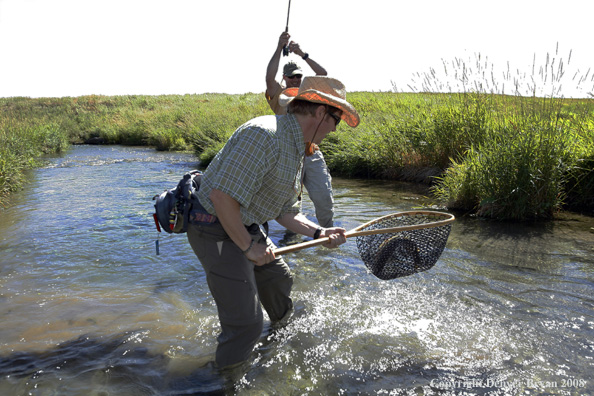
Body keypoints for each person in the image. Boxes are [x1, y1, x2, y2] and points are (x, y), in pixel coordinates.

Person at [187, 76, 360, 370]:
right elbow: (221, 198)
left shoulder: (298, 148)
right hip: (213, 227)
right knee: (246, 325)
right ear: (319, 112)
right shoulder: (264, 135)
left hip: (246, 224)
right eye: (336, 120)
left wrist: (319, 231)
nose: (334, 128)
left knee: (279, 279)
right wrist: (247, 248)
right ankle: (225, 380)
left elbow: (285, 212)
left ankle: (277, 342)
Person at [265, 31, 335, 228]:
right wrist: (280, 48)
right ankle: (294, 240)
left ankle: (327, 237)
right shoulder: (277, 94)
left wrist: (302, 54)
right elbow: (269, 77)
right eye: (292, 77)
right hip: (286, 155)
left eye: (299, 76)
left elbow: (323, 75)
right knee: (290, 205)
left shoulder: (308, 94)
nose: (296, 80)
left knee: (324, 198)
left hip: (311, 153)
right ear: (285, 78)